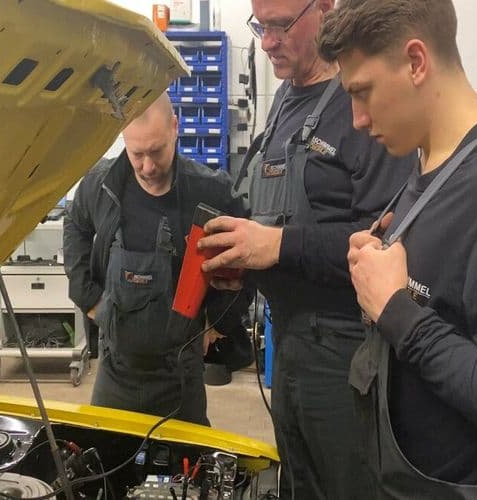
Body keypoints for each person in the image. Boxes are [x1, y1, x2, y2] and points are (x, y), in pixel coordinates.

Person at [318, 0, 477, 498]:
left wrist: (397, 311)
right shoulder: (429, 168)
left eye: (363, 92)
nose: (357, 119)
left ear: (416, 62)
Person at [198, 0, 414, 497]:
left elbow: (386, 244)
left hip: (343, 353)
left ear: (326, 9)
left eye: (281, 25)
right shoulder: (283, 104)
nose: (267, 41)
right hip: (288, 341)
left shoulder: (360, 106)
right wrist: (246, 264)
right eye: (260, 25)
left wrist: (278, 245)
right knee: (296, 482)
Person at [63, 93, 246, 425]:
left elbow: (245, 254)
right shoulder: (103, 184)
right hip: (115, 372)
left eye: (157, 152)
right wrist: (87, 297)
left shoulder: (210, 192)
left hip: (180, 375)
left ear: (175, 128)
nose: (147, 167)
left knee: (187, 471)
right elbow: (75, 222)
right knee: (102, 462)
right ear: (123, 138)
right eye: (137, 154)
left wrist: (219, 321)